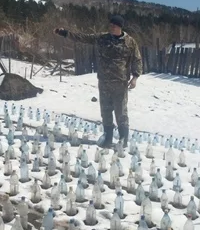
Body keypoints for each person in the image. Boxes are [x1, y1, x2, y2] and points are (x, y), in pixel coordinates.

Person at [54, 14, 142, 148]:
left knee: (121, 113)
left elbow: (137, 59)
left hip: (120, 83)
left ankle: (123, 140)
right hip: (104, 82)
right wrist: (65, 33)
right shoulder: (102, 38)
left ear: (119, 27)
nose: (111, 27)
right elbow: (83, 37)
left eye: (113, 25)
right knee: (105, 111)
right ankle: (108, 137)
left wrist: (135, 77)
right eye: (110, 25)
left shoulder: (130, 42)